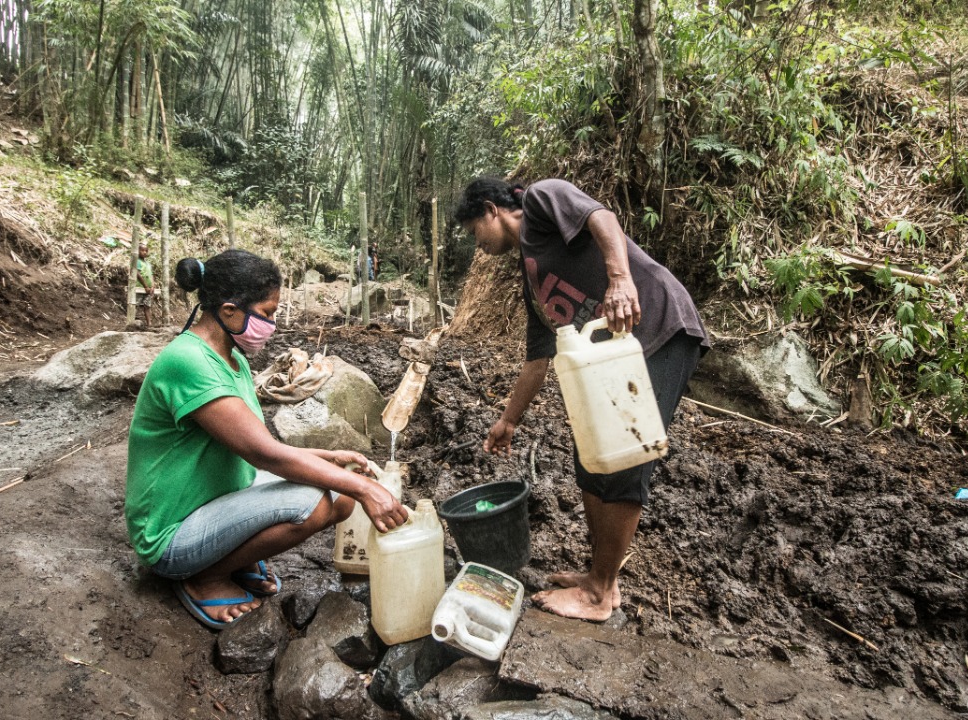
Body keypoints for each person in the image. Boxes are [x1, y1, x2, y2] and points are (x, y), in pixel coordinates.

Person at [455, 177, 709, 622]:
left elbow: (602, 218)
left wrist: (619, 279)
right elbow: (539, 358)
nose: (478, 245)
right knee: (591, 456)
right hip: (614, 355)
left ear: (491, 210)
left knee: (626, 456)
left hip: (659, 329)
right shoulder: (531, 276)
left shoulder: (541, 198)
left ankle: (600, 592)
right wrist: (508, 421)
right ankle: (598, 576)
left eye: (475, 231)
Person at [125, 249, 408, 630]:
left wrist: (328, 455)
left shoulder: (232, 358)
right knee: (318, 503)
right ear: (228, 311)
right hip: (170, 534)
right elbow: (263, 453)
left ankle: (231, 558)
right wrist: (365, 488)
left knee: (337, 491)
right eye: (268, 312)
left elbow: (254, 441)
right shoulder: (188, 362)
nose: (272, 324)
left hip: (210, 497)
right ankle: (203, 577)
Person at [135, 244, 155, 327]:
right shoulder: (137, 261)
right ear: (138, 251)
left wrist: (153, 285)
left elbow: (151, 275)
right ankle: (132, 323)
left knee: (147, 306)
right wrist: (145, 286)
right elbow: (138, 274)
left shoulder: (148, 264)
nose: (144, 252)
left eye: (146, 251)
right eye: (142, 250)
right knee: (135, 304)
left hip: (149, 289)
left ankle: (149, 324)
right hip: (140, 287)